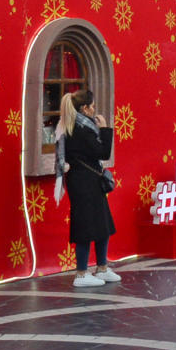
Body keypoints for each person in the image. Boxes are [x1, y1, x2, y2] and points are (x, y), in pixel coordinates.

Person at [58, 89, 118, 287]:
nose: (94, 109)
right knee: (84, 226)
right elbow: (102, 152)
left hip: (88, 181)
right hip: (84, 183)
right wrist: (106, 129)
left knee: (102, 224)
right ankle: (82, 273)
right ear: (84, 108)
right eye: (92, 106)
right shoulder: (81, 129)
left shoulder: (78, 126)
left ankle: (101, 267)